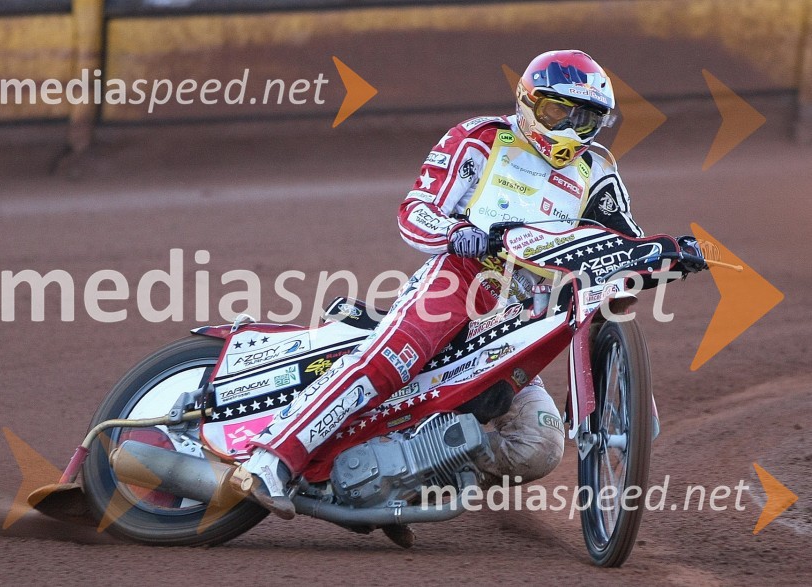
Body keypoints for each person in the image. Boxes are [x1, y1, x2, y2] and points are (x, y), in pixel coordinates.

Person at [236, 50, 689, 524]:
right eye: (559, 111)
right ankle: (270, 462)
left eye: (587, 118)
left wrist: (671, 252)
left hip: (520, 320)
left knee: (541, 445)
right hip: (460, 279)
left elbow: (622, 241)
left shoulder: (596, 171)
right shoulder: (479, 139)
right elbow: (414, 212)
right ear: (529, 102)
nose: (571, 129)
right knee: (389, 363)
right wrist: (455, 233)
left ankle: (405, 484)